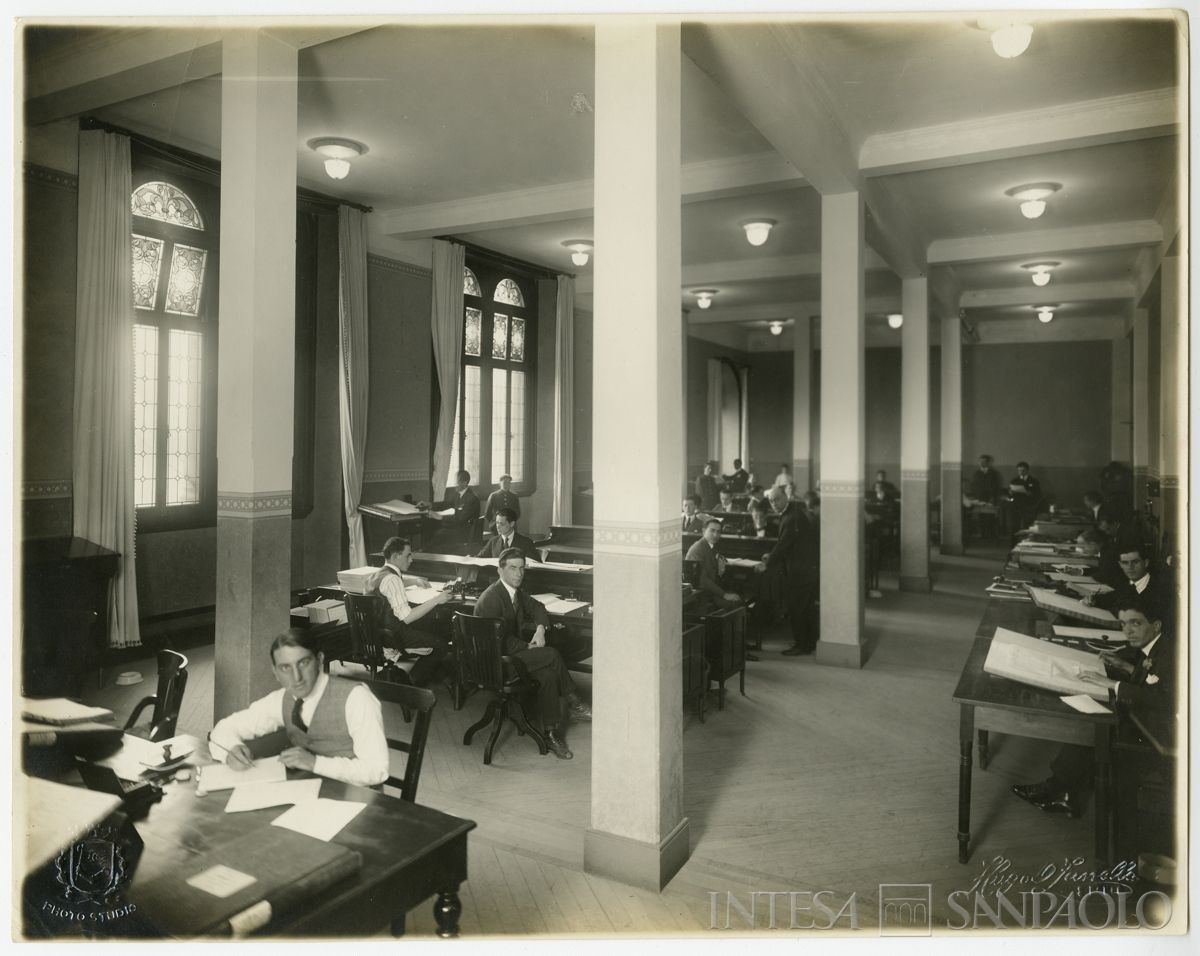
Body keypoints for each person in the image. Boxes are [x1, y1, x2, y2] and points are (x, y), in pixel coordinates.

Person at [1011, 595, 1176, 816]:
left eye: (1136, 623)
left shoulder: (1172, 653)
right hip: (1150, 721)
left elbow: (1165, 699)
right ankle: (1064, 791)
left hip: (1160, 736)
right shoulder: (1158, 644)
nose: (1127, 631)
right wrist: (1127, 667)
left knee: (1092, 726)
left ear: (1156, 625)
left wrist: (1113, 684)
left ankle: (1060, 790)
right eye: (1123, 624)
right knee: (1092, 718)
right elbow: (1153, 681)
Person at [209, 629, 388, 788]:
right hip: (309, 794)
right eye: (285, 667)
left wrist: (315, 763)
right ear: (275, 672)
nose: (296, 677)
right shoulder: (281, 700)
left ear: (319, 659)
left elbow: (377, 770)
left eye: (303, 663)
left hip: (357, 797)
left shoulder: (356, 698)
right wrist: (231, 750)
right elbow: (224, 728)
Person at [474, 548, 592, 759]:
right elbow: (496, 641)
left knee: (547, 675)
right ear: (500, 570)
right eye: (512, 568)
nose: (518, 574)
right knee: (552, 655)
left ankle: (549, 733)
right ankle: (574, 702)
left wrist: (540, 629)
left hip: (509, 658)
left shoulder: (514, 591)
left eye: (522, 568)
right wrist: (527, 647)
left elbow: (537, 607)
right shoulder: (491, 598)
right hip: (494, 663)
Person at [370, 536, 453, 686]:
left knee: (430, 626)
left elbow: (393, 582)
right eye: (408, 555)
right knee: (441, 644)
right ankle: (412, 682)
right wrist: (437, 599)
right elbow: (407, 617)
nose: (411, 560)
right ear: (395, 556)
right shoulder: (393, 579)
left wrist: (415, 580)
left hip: (379, 633)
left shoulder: (378, 574)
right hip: (393, 636)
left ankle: (434, 673)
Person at [755, 486, 818, 655]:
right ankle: (808, 643)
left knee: (797, 608)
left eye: (777, 499)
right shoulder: (792, 513)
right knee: (805, 608)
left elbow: (783, 545)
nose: (774, 503)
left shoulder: (791, 517)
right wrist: (772, 554)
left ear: (785, 498)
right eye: (771, 501)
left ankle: (801, 645)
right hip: (806, 569)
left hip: (800, 571)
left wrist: (767, 564)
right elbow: (785, 543)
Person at [1082, 541, 1174, 626]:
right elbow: (1113, 597)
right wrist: (1094, 600)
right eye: (1125, 563)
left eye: (1135, 562)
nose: (1130, 567)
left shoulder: (1160, 589)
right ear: (1120, 565)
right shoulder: (1128, 583)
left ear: (1145, 563)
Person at [685, 518, 741, 612]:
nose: (715, 535)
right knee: (734, 604)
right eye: (712, 531)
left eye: (718, 532)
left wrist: (721, 568)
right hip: (702, 595)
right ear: (703, 531)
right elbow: (703, 580)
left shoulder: (710, 546)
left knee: (738, 598)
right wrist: (724, 595)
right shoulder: (698, 549)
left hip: (711, 591)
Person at [420, 469, 481, 548]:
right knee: (431, 527)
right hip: (458, 527)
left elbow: (460, 519)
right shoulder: (458, 494)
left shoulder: (472, 498)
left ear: (465, 483)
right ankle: (426, 552)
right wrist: (430, 505)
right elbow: (446, 504)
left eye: (456, 482)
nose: (454, 484)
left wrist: (440, 517)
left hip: (466, 532)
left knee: (440, 534)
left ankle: (428, 554)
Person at [1006, 461, 1042, 532]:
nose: (1021, 472)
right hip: (1016, 506)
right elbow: (1010, 494)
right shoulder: (1014, 480)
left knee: (1027, 525)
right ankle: (1014, 542)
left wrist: (1030, 494)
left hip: (1028, 506)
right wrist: (1010, 492)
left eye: (1023, 470)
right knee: (1014, 525)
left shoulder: (1034, 481)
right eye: (1019, 470)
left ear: (1027, 470)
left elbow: (1038, 494)